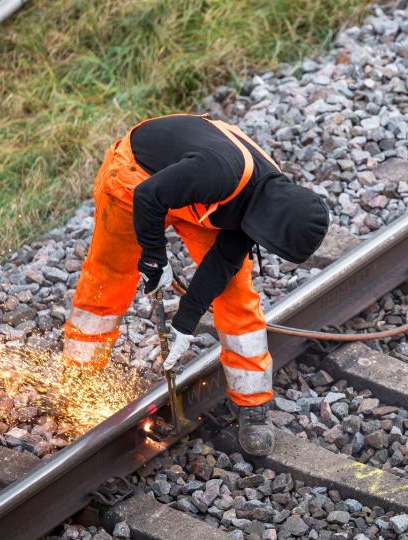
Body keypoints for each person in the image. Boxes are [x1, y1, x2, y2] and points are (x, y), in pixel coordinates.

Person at [62, 113, 329, 455]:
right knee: (110, 278)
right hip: (136, 178)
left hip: (198, 193)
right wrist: (156, 259)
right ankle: (80, 377)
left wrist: (185, 322)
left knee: (237, 296)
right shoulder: (219, 173)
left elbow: (221, 265)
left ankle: (253, 404)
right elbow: (148, 196)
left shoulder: (269, 202)